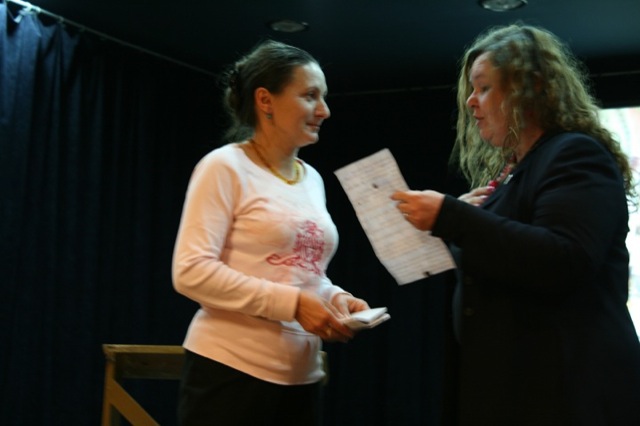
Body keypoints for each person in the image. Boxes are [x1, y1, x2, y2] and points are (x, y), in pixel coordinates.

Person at [392, 23, 640, 425]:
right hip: (518, 388)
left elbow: (565, 259)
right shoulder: (516, 171)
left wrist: (453, 216)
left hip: (566, 392)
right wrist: (461, 215)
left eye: (484, 88)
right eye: (472, 89)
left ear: (532, 88)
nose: (471, 101)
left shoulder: (574, 153)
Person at [172, 39, 371, 426]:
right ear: (265, 100)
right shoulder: (224, 167)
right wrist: (293, 304)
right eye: (310, 96)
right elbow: (191, 271)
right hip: (231, 375)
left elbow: (303, 271)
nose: (324, 110)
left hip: (301, 379)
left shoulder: (311, 179)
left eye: (324, 97)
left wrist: (335, 299)